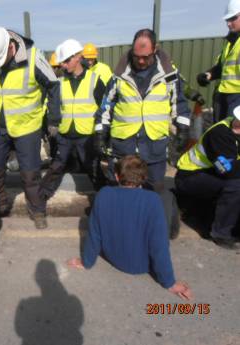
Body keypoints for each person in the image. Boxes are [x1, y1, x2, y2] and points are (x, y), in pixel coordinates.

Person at [68, 155, 193, 300]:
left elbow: (94, 233)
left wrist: (86, 262)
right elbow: (159, 245)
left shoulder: (103, 194)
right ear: (144, 178)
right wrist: (169, 282)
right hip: (142, 265)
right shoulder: (152, 200)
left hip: (113, 258)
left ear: (116, 176)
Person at [0, 26, 61, 228]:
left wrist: (53, 119)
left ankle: (37, 210)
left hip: (27, 126)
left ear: (11, 47)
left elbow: (54, 86)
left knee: (30, 172)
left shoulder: (33, 58)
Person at [95, 28, 191, 192]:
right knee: (117, 188)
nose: (140, 61)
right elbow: (106, 106)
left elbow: (180, 104)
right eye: (136, 56)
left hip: (154, 145)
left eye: (145, 57)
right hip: (123, 146)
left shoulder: (169, 76)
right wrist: (100, 133)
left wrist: (183, 130)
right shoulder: (118, 76)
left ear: (155, 49)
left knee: (154, 189)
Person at [40, 39, 106, 200]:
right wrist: (47, 126)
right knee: (56, 166)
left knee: (93, 168)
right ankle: (40, 199)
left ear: (77, 57)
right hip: (64, 134)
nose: (63, 65)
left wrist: (102, 133)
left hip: (87, 135)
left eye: (66, 61)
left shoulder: (95, 80)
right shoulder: (59, 83)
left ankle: (106, 198)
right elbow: (51, 106)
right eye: (62, 62)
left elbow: (104, 109)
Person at [175, 106, 240, 250]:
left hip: (211, 173)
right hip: (190, 175)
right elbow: (226, 170)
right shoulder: (220, 134)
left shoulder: (234, 129)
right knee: (236, 186)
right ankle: (221, 233)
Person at [196, 0, 240, 122]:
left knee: (233, 136)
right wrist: (207, 75)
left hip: (237, 98)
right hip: (223, 97)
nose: (229, 24)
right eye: (227, 20)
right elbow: (222, 67)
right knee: (221, 134)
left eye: (233, 19)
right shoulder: (231, 41)